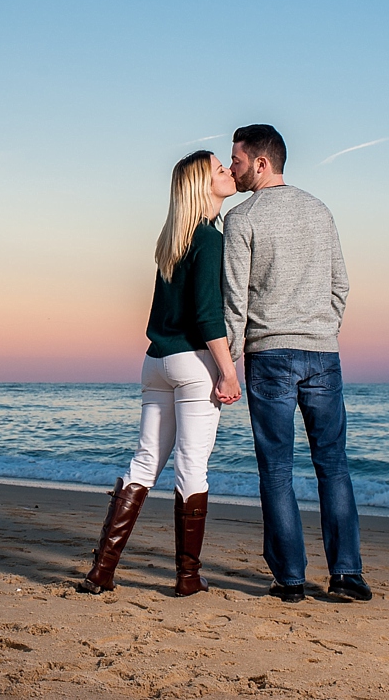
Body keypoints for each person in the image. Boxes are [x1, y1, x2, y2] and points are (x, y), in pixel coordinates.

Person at [79, 150, 242, 598]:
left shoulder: (172, 238)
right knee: (192, 467)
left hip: (156, 363)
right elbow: (209, 316)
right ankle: (187, 578)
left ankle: (101, 572)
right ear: (201, 185)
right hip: (193, 363)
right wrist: (228, 373)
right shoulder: (209, 238)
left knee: (144, 462)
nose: (228, 171)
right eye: (219, 169)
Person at [222, 124, 372, 604]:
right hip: (323, 353)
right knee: (333, 466)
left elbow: (234, 302)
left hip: (269, 356)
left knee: (277, 470)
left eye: (239, 161)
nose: (235, 169)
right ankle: (347, 573)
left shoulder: (242, 218)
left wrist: (228, 361)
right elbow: (341, 285)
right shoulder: (319, 210)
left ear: (262, 163)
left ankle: (290, 579)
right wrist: (322, 328)